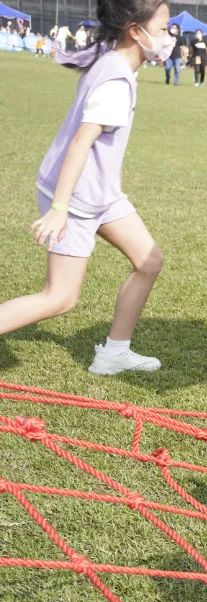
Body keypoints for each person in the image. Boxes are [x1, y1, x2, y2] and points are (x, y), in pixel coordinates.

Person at [0, 0, 170, 376]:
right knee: (59, 297)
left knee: (149, 260)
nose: (168, 38)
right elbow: (81, 143)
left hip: (101, 194)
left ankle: (114, 353)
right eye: (162, 30)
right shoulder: (115, 79)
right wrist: (59, 209)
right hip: (75, 197)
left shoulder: (113, 61)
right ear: (135, 31)